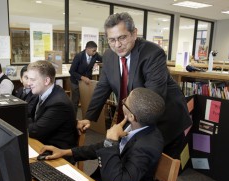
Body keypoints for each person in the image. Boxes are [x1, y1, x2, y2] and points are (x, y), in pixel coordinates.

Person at [78, 12, 192, 160]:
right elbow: (103, 87)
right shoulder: (109, 55)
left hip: (166, 119)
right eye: (112, 40)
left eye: (122, 37)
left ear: (134, 33)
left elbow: (151, 99)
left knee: (158, 172)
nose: (117, 45)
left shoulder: (153, 54)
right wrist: (88, 117)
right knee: (134, 167)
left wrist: (127, 129)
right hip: (135, 117)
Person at [40, 88, 165, 181]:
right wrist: (66, 152)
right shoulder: (135, 125)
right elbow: (102, 147)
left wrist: (111, 141)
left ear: (132, 116)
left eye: (125, 101)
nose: (123, 100)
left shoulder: (147, 146)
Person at [27, 60, 78, 162]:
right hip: (42, 144)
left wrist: (25, 121)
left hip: (56, 154)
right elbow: (28, 115)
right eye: (28, 79)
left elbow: (35, 131)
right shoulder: (40, 93)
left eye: (32, 80)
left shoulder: (59, 103)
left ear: (46, 81)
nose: (28, 83)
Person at [69, 41, 102, 114]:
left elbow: (103, 59)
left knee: (86, 100)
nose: (95, 52)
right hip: (76, 81)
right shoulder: (79, 56)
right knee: (75, 101)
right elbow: (71, 71)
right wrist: (82, 78)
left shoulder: (95, 55)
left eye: (95, 51)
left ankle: (86, 118)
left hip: (86, 82)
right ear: (87, 49)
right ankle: (73, 119)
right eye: (93, 51)